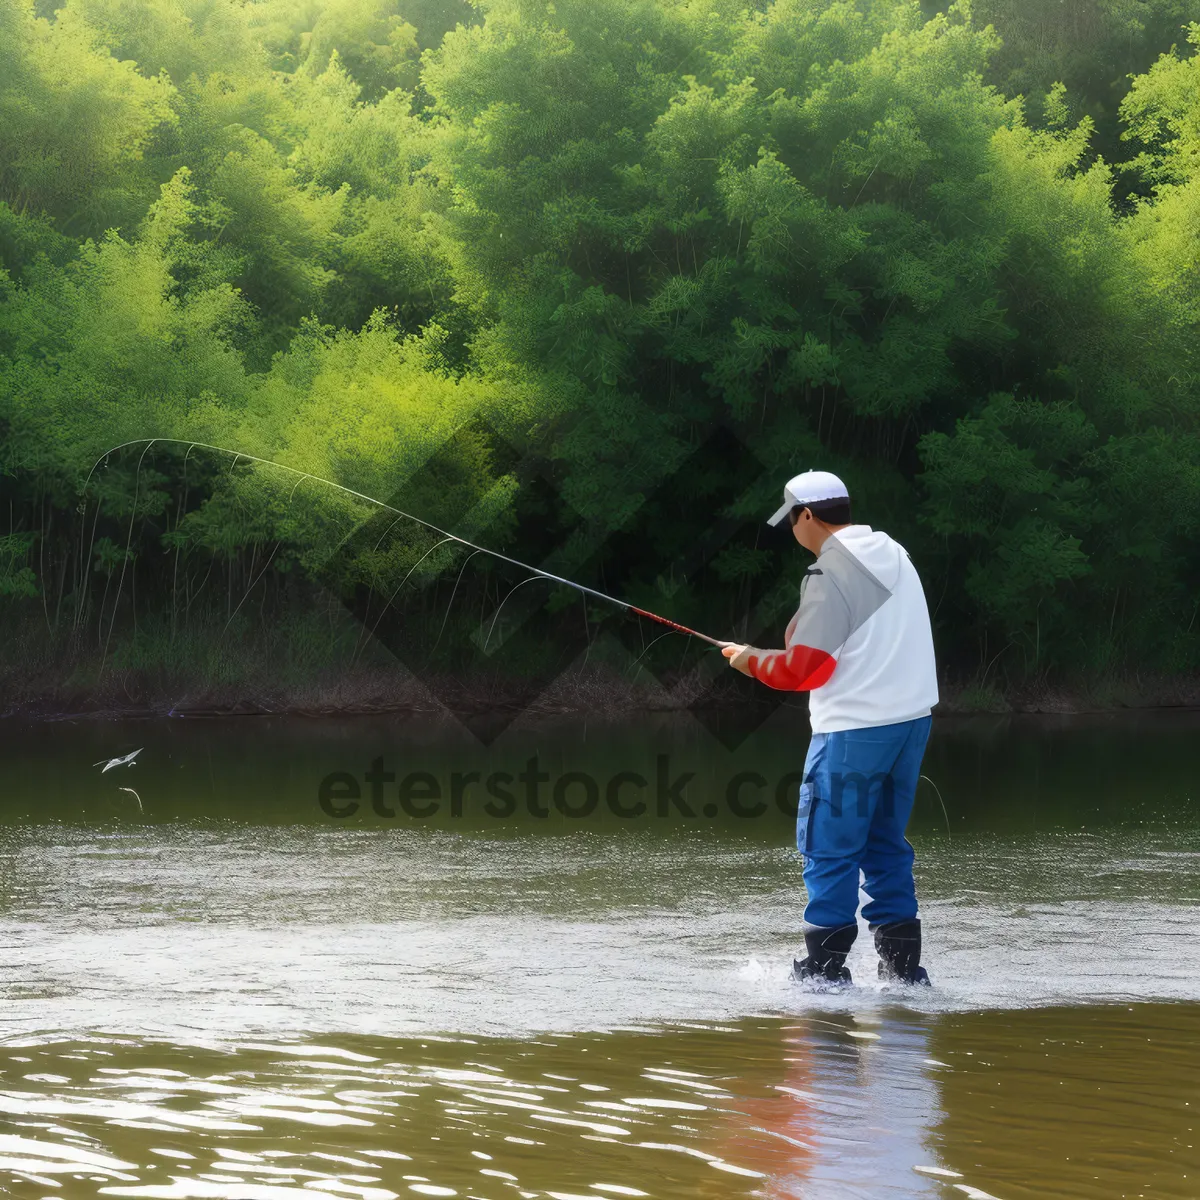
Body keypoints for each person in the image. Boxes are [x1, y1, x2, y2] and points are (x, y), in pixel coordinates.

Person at [722, 470, 938, 987]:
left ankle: (823, 974)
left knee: (827, 844)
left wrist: (750, 660)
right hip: (910, 724)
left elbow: (805, 669)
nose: (793, 531)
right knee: (885, 843)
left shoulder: (830, 572)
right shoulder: (893, 553)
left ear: (807, 517)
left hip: (852, 731)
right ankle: (904, 973)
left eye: (792, 521)